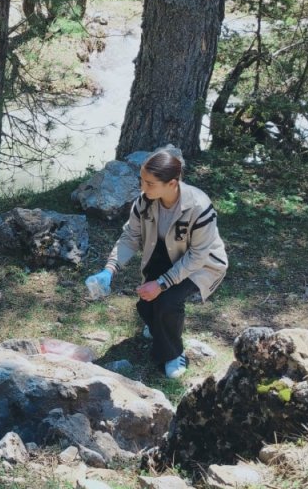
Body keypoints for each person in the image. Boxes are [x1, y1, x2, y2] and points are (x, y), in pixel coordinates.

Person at [86, 149, 228, 379]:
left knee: (168, 302)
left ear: (172, 183)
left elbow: (198, 255)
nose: (143, 188)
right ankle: (159, 328)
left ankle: (173, 353)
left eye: (150, 183)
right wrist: (109, 269)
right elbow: (129, 237)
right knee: (145, 305)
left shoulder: (199, 207)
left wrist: (162, 284)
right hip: (165, 252)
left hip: (201, 264)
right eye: (142, 180)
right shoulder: (144, 203)